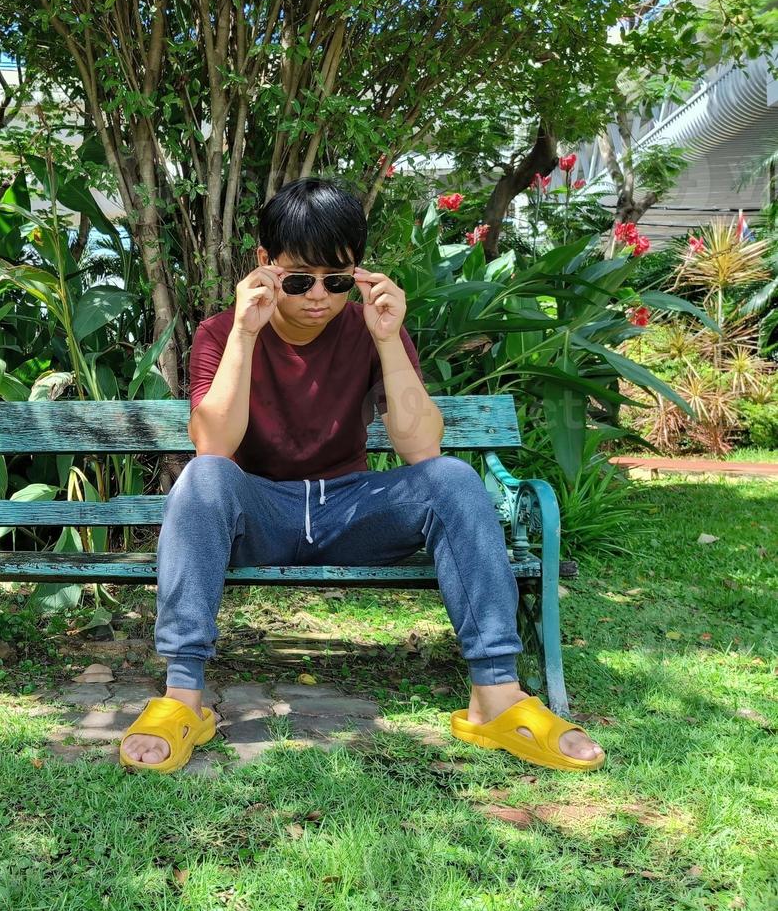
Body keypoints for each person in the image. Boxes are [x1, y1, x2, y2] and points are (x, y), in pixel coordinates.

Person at [118, 177, 606, 775]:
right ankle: (183, 697)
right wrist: (247, 333)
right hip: (259, 511)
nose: (318, 297)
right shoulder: (223, 332)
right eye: (299, 279)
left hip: (350, 510)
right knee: (204, 479)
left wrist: (387, 340)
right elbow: (215, 444)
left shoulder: (369, 327)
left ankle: (496, 697)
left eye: (337, 279)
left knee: (452, 479)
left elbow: (421, 445)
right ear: (264, 266)